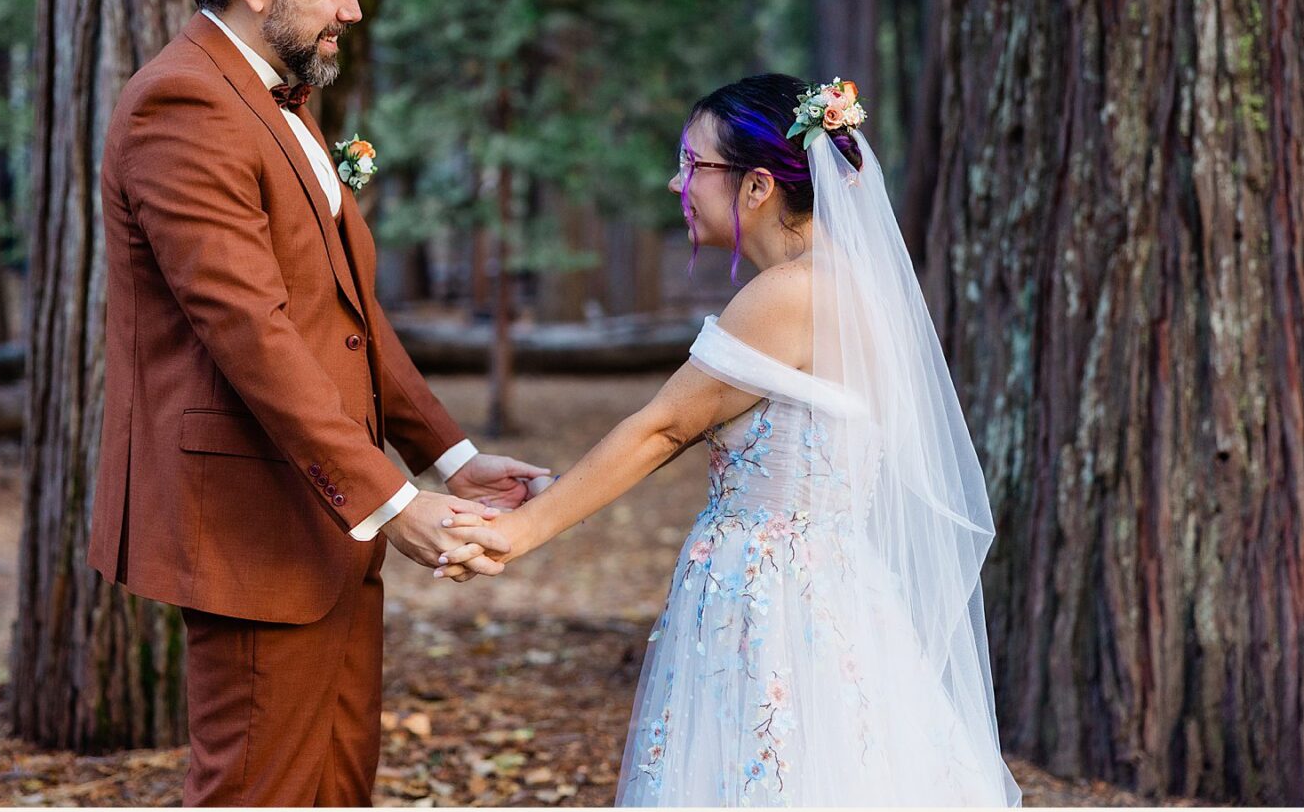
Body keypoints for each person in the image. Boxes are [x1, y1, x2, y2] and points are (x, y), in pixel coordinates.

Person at [86, 0, 548, 806]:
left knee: (338, 781)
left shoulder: (278, 99)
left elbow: (343, 311)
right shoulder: (185, 106)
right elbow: (249, 332)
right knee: (260, 788)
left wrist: (449, 458)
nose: (353, 11)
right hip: (251, 521)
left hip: (321, 518)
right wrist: (391, 501)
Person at [437, 74, 1022, 806]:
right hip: (832, 592)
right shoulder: (851, 285)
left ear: (755, 187)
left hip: (772, 605)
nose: (676, 181)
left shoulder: (789, 295)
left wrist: (518, 534)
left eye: (692, 163)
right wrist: (553, 492)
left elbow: (664, 427)